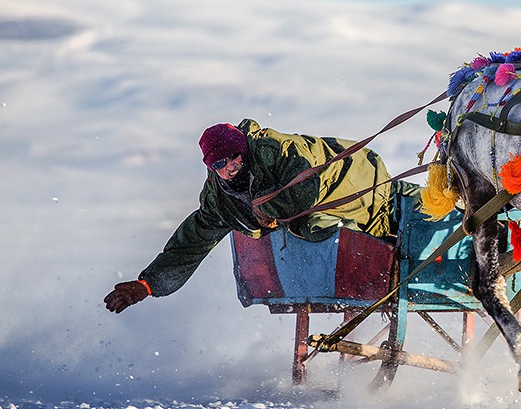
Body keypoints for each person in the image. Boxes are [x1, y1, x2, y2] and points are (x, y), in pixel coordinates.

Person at [104, 118, 405, 313]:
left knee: (319, 227)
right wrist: (148, 284)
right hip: (331, 209)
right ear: (211, 167)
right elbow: (191, 243)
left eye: (236, 156)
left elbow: (304, 190)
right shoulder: (219, 201)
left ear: (244, 150)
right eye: (220, 163)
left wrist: (264, 208)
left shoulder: (280, 151)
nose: (232, 165)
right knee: (309, 230)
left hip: (362, 181)